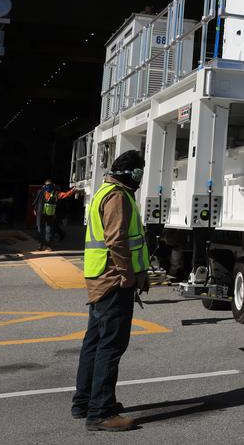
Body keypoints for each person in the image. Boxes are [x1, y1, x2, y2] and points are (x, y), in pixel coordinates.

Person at [73, 150, 149, 432]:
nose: (141, 178)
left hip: (99, 278)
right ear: (133, 174)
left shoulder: (105, 192)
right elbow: (117, 240)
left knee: (94, 343)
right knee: (110, 346)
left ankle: (83, 402)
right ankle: (101, 412)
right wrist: (128, 275)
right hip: (113, 281)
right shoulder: (118, 196)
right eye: (140, 172)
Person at [33, 179, 75, 250]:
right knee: (43, 230)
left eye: (50, 185)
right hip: (44, 214)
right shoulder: (46, 192)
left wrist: (72, 190)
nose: (48, 187)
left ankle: (45, 246)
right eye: (47, 185)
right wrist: (35, 210)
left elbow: (64, 195)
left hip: (46, 215)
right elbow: (36, 201)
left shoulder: (49, 193)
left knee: (45, 231)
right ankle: (43, 246)